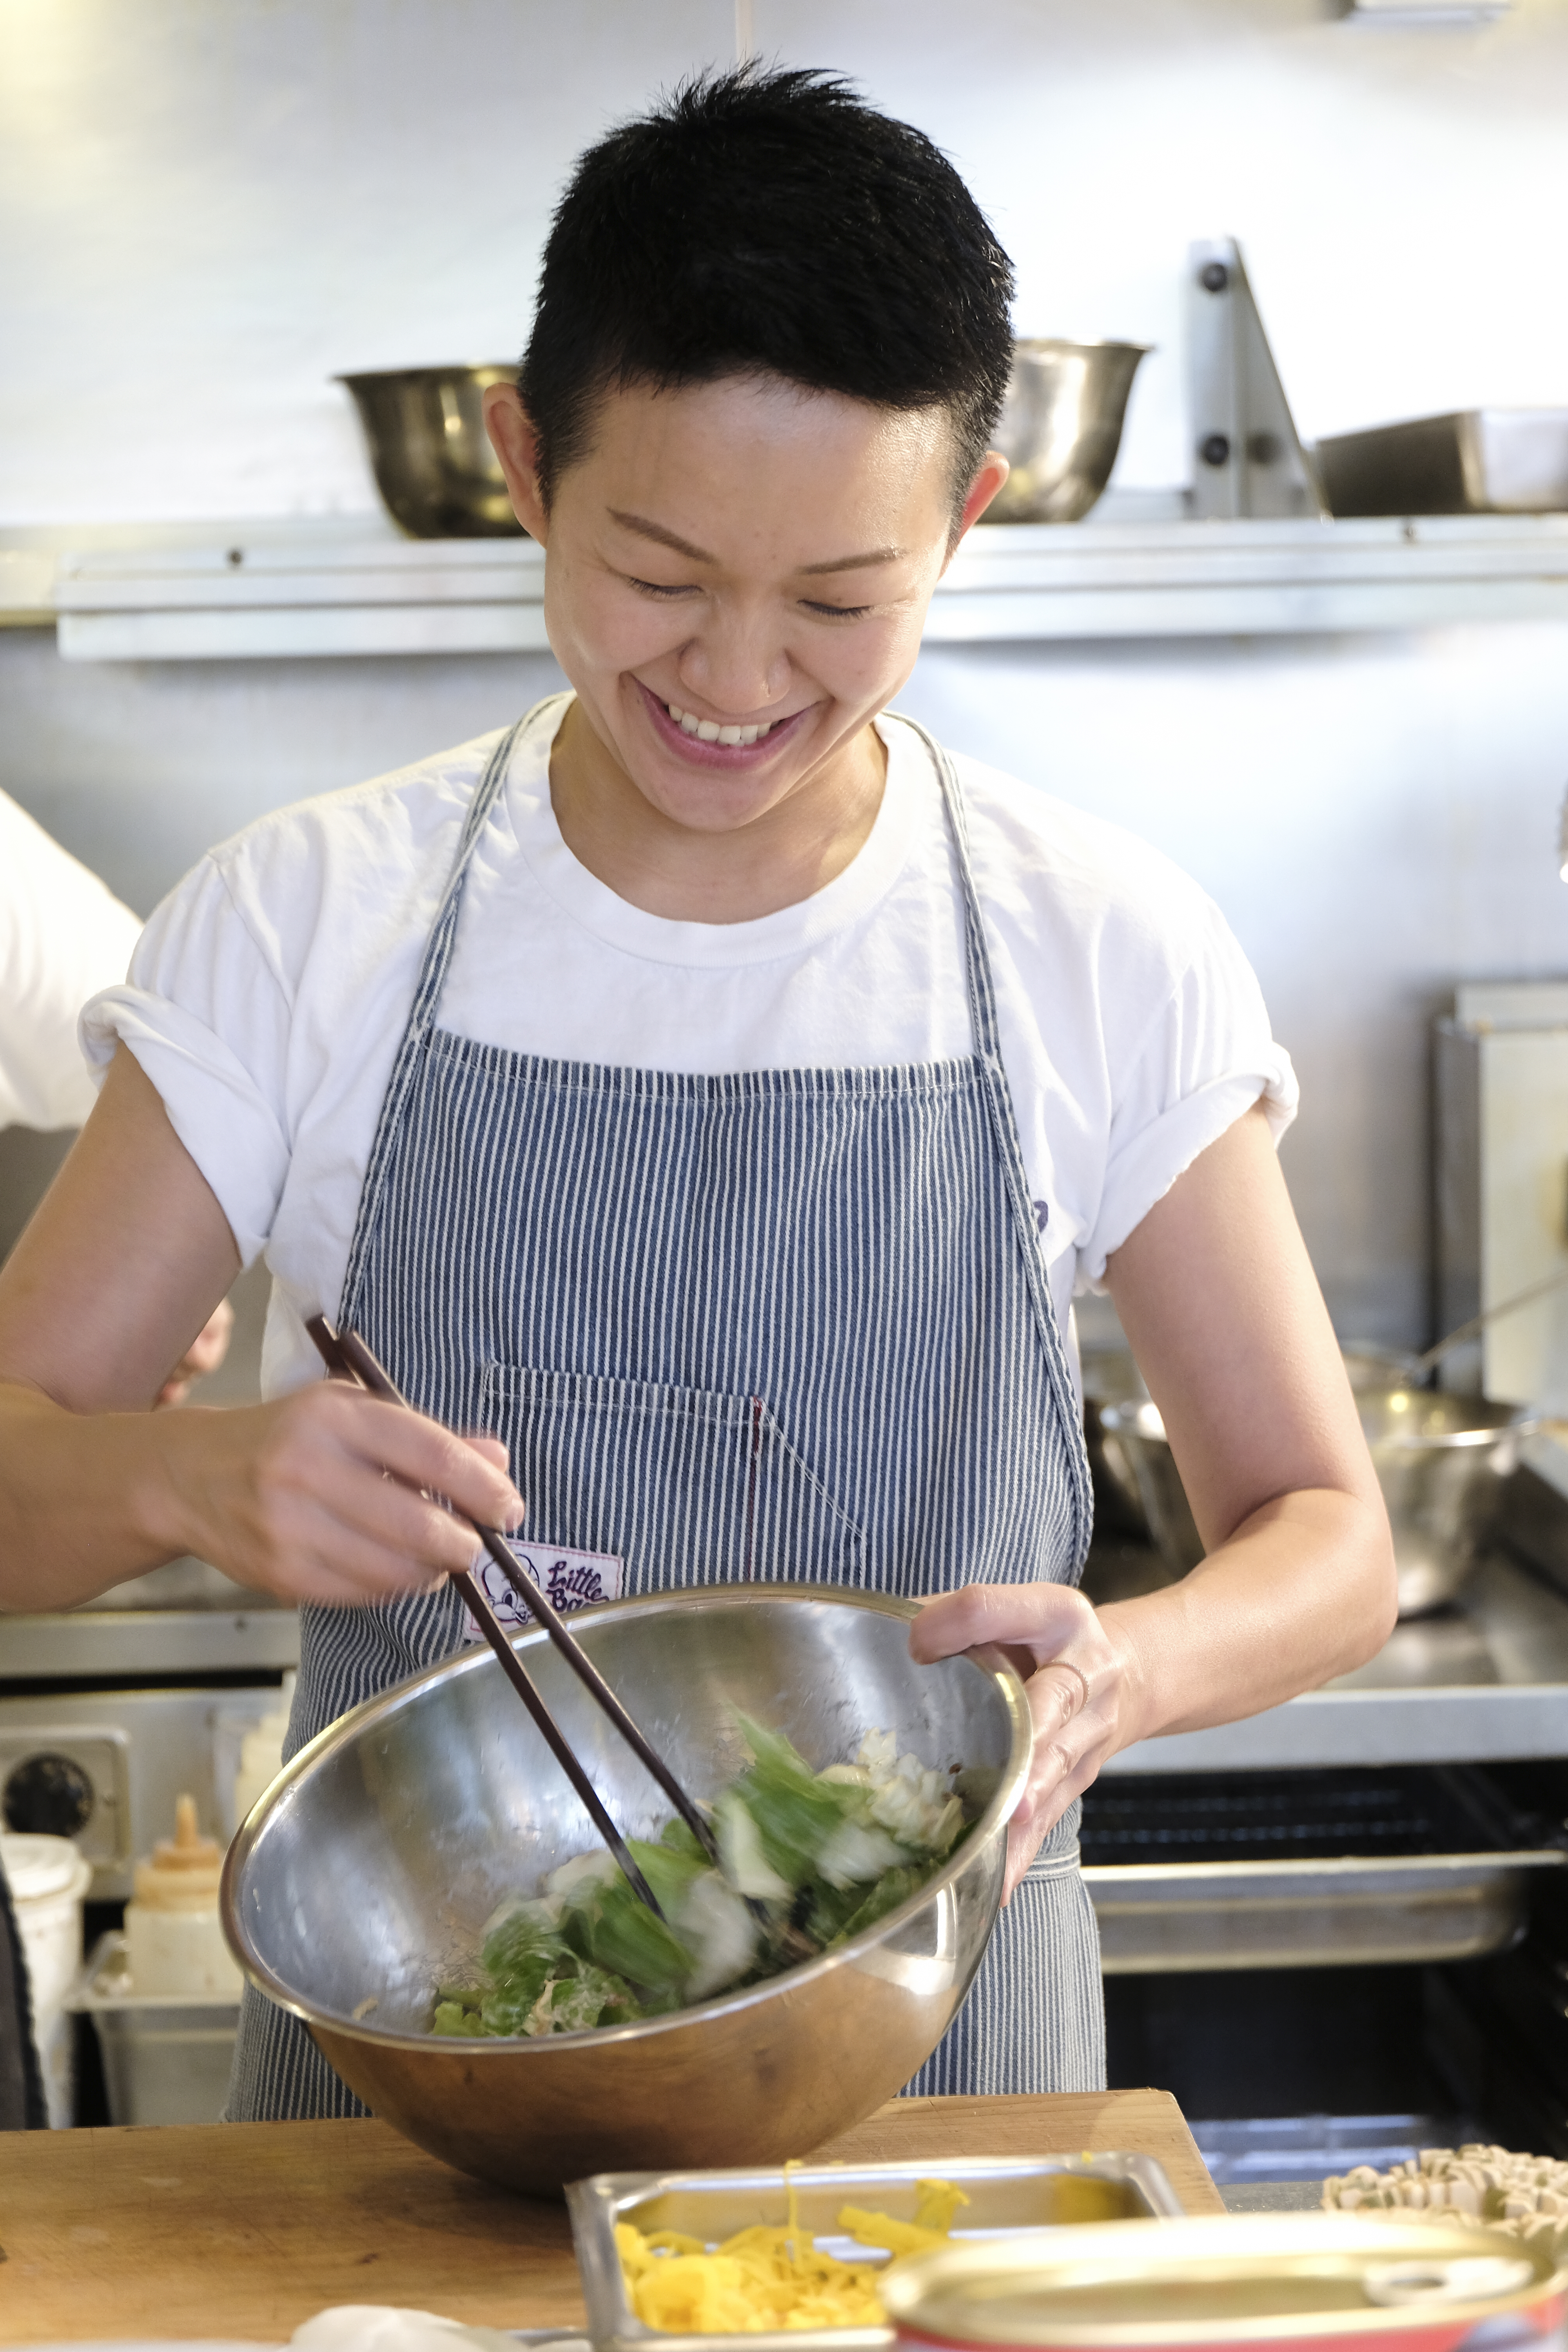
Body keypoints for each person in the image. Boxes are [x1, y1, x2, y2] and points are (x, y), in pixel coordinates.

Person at [0, 68, 1396, 2116]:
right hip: (423, 2112)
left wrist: (1133, 1663)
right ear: (523, 468)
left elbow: (1326, 1537)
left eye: (841, 600)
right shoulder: (301, 923)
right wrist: (195, 1480)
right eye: (660, 574)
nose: (738, 680)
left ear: (966, 516)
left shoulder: (1097, 943)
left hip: (939, 2109)